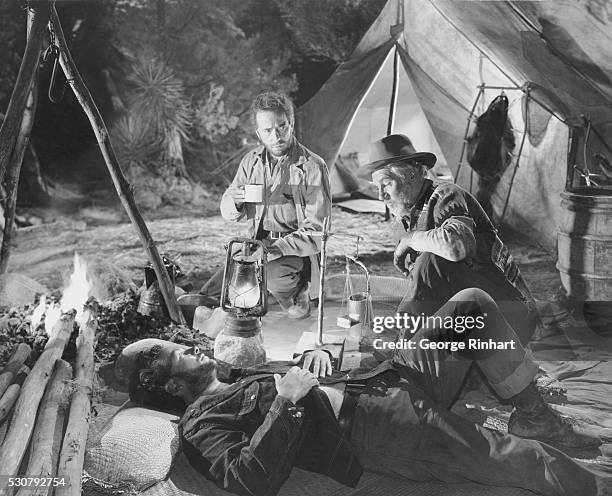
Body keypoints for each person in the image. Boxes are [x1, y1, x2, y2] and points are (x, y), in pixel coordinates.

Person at [114, 288, 605, 496]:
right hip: (379, 427)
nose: (188, 346)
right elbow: (247, 480)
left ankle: (533, 409)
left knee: (469, 309)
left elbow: (300, 376)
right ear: (167, 382)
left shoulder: (233, 375)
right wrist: (286, 401)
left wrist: (320, 358)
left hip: (383, 381)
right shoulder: (202, 424)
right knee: (520, 459)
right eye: (171, 351)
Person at [355, 134, 538, 344]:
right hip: (469, 316)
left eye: (386, 184)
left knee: (430, 260)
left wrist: (412, 239)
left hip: (510, 313)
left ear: (413, 174)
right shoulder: (405, 219)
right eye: (376, 187)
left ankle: (405, 346)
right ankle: (411, 344)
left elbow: (457, 246)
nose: (380, 196)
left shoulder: (446, 195)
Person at [201, 91, 332, 319]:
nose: (276, 136)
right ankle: (255, 292)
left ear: (291, 125)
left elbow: (317, 232)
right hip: (257, 245)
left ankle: (297, 290)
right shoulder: (251, 162)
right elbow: (227, 206)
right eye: (268, 130)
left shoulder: (312, 167)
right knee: (218, 288)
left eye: (281, 126)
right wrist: (236, 200)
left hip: (295, 250)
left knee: (267, 277)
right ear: (258, 133)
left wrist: (274, 250)